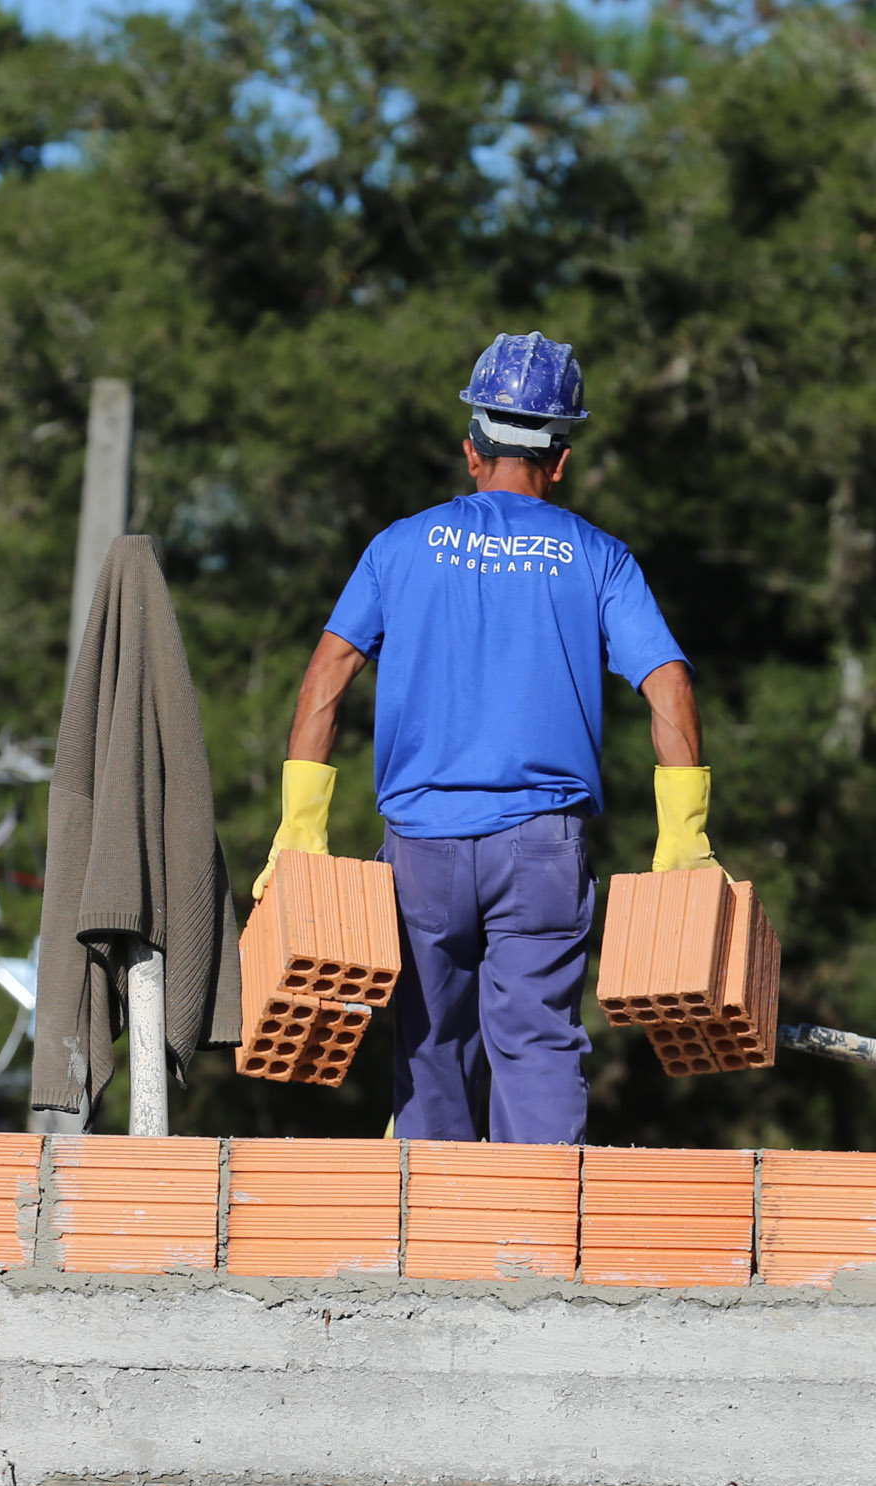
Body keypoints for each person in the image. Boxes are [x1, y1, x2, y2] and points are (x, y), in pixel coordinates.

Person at [256, 331, 717, 1144]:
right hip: (541, 851)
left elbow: (327, 674)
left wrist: (301, 829)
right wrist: (683, 835)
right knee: (537, 1046)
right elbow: (670, 682)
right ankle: (535, 1249)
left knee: (430, 1049)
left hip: (422, 854)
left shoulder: (399, 546)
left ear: (472, 451)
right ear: (561, 461)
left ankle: (438, 1251)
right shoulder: (597, 558)